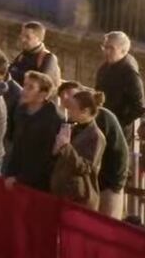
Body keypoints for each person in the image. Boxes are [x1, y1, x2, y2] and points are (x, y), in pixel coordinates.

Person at [59, 80, 130, 219]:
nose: (66, 98)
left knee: (107, 224)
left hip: (109, 182)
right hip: (88, 186)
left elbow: (120, 153)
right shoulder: (73, 121)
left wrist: (115, 185)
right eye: (62, 95)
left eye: (69, 93)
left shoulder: (103, 117)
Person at [50, 88, 107, 211]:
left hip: (79, 197)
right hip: (63, 192)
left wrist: (66, 147)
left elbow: (87, 167)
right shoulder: (74, 128)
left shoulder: (96, 136)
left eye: (73, 108)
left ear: (85, 111)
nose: (69, 111)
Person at [6, 71, 62, 192]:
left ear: (43, 93)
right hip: (14, 176)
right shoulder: (21, 111)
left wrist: (21, 179)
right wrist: (10, 173)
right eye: (24, 85)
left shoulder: (53, 119)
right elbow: (16, 145)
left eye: (30, 87)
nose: (23, 90)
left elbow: (45, 157)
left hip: (38, 184)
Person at [94, 30, 145, 138]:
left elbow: (139, 107)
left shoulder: (130, 73)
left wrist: (118, 123)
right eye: (105, 47)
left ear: (123, 50)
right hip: (101, 123)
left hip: (118, 131)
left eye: (111, 48)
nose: (106, 52)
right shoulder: (105, 67)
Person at [8, 21, 61, 90]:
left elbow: (41, 83)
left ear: (38, 39)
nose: (23, 39)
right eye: (22, 35)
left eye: (27, 37)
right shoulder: (22, 55)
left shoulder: (47, 58)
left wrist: (16, 73)